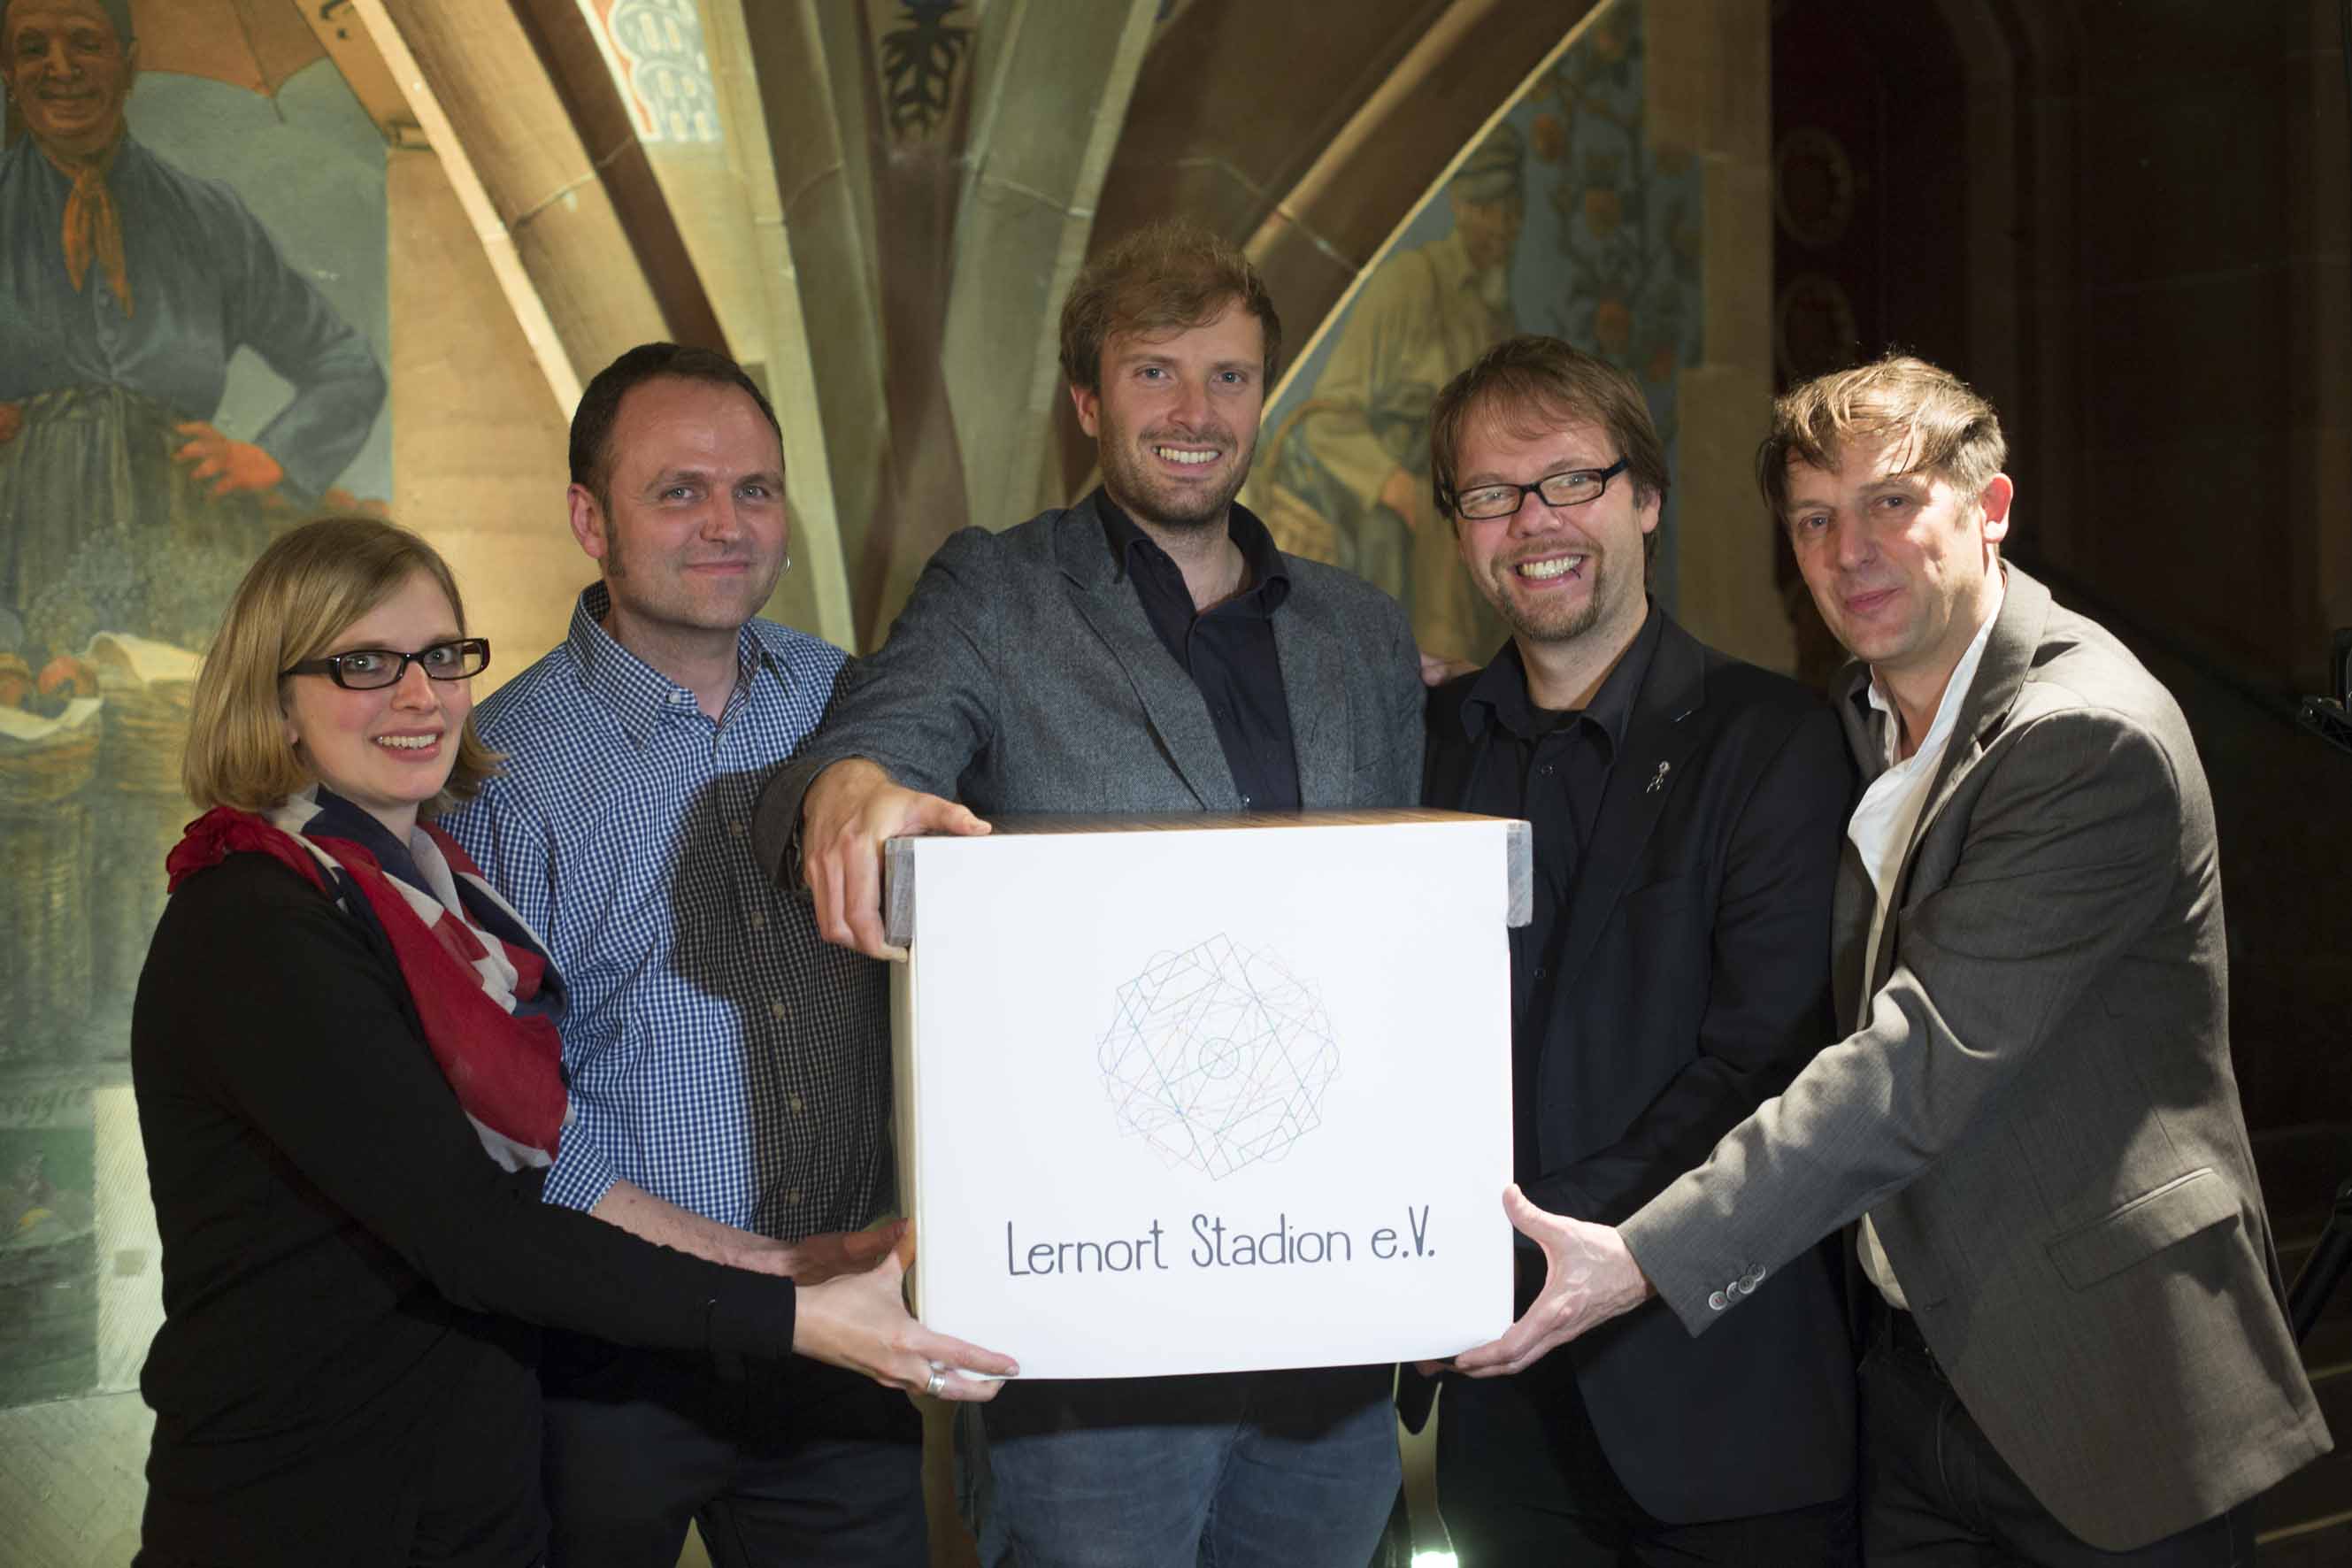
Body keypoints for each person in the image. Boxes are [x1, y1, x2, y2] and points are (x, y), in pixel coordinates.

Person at [1455, 356, 2333, 1562]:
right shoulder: (1857, 722)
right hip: (1909, 1382)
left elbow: (1913, 1064)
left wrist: (1647, 1257)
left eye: (1891, 503)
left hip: (2099, 1373)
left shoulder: (2082, 735)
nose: (1847, 550)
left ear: (1990, 507)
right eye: (1813, 519)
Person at [132, 517, 1010, 1568]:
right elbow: (478, 1230)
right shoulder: (255, 921)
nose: (420, 697)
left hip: (461, 1486)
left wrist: (788, 1258)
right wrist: (792, 1315)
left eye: (442, 656)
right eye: (364, 664)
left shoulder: (440, 903)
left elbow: (544, 1163)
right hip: (311, 1497)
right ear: (275, 700)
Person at [753, 221, 1425, 1567]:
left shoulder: (1358, 630)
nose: (1194, 414)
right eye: (1154, 374)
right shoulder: (996, 593)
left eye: (1228, 378)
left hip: (1327, 1318)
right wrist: (850, 789)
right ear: (1086, 400)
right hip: (1086, 1331)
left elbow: (1399, 933)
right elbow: (875, 733)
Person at [441, 342, 934, 1566]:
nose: (727, 524)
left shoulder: (856, 712)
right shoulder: (497, 777)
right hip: (607, 1364)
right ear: (587, 518)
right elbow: (507, 1117)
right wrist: (749, 1279)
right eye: (680, 492)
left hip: (842, 1343)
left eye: (755, 490)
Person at [1418, 335, 1856, 1564]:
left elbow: (1762, 1059)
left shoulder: (1768, 740)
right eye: (1492, 494)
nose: (1534, 522)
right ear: (1458, 526)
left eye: (1571, 480)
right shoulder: (1421, 744)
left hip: (1719, 1403)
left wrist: (1523, 1240)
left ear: (1646, 499)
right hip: (1501, 1423)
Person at [0, 0, 388, 648]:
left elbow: (345, 368)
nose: (60, 68)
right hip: (18, 567)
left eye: (85, 44)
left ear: (130, 64)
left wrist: (273, 456)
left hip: (187, 562)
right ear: (7, 71)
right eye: (34, 47)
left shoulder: (208, 220)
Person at [1266, 122, 1523, 663]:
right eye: (1487, 208)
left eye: (1511, 210)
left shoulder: (1493, 312)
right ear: (1459, 205)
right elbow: (1325, 418)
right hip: (1391, 489)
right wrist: (1391, 484)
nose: (1501, 226)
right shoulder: (1409, 283)